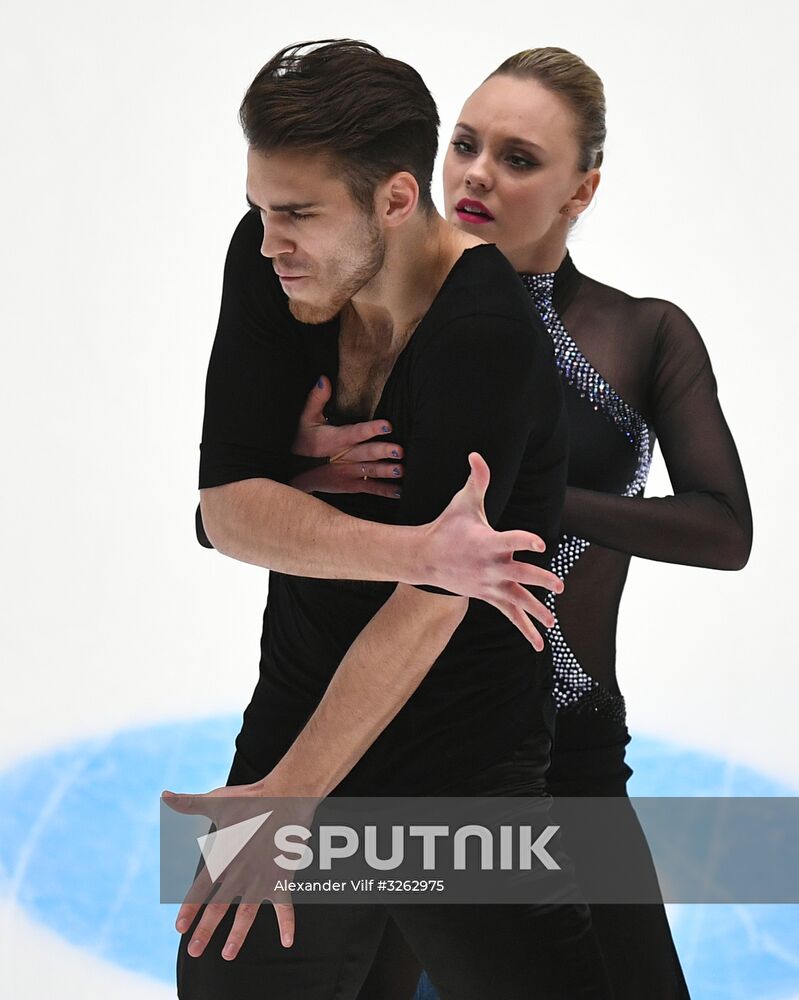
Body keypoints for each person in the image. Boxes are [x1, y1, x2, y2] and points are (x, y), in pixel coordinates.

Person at [173, 39, 613, 1000]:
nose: (267, 241)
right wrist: (412, 548)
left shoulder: (484, 332)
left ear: (396, 199)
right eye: (258, 208)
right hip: (301, 701)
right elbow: (223, 509)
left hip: (455, 753)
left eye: (295, 213)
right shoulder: (274, 270)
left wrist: (292, 802)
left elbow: (430, 607)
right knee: (222, 977)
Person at [322, 46, 749, 1000]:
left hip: (568, 754)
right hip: (398, 748)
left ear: (581, 188)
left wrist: (534, 494)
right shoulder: (368, 320)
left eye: (518, 158)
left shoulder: (641, 334)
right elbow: (228, 517)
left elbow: (724, 530)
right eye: (465, 145)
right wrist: (311, 471)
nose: (475, 174)